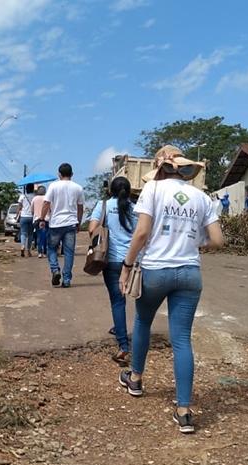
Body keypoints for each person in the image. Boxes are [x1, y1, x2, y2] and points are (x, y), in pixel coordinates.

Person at [118, 145, 223, 434]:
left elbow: (142, 232)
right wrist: (195, 243)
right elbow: (217, 240)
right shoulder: (202, 197)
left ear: (159, 167)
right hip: (189, 273)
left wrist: (127, 266)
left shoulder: (153, 189)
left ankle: (135, 379)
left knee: (143, 321)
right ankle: (184, 411)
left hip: (156, 270)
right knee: (182, 339)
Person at [89, 177, 138, 366]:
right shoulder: (135, 208)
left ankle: (123, 345)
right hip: (133, 261)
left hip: (112, 260)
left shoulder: (104, 206)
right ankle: (133, 335)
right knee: (140, 300)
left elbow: (92, 229)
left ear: (111, 190)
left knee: (118, 302)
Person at [40, 163, 84, 288]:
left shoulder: (53, 186)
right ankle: (67, 279)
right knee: (69, 252)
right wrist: (78, 222)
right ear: (72, 174)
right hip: (71, 223)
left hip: (56, 223)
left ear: (59, 174)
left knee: (51, 248)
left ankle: (55, 270)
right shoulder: (78, 188)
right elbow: (80, 207)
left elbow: (46, 203)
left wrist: (42, 219)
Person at [16, 183, 35, 257]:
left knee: (23, 233)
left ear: (26, 189)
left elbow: (19, 207)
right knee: (30, 234)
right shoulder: (35, 196)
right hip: (32, 217)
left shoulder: (22, 196)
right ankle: (28, 250)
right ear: (33, 189)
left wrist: (17, 215)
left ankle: (22, 246)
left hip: (23, 216)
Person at [31, 185, 49, 259]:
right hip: (46, 219)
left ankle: (39, 252)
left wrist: (35, 214)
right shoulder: (47, 198)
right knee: (46, 236)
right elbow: (50, 209)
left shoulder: (34, 199)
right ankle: (45, 252)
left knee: (39, 236)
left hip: (37, 220)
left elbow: (32, 210)